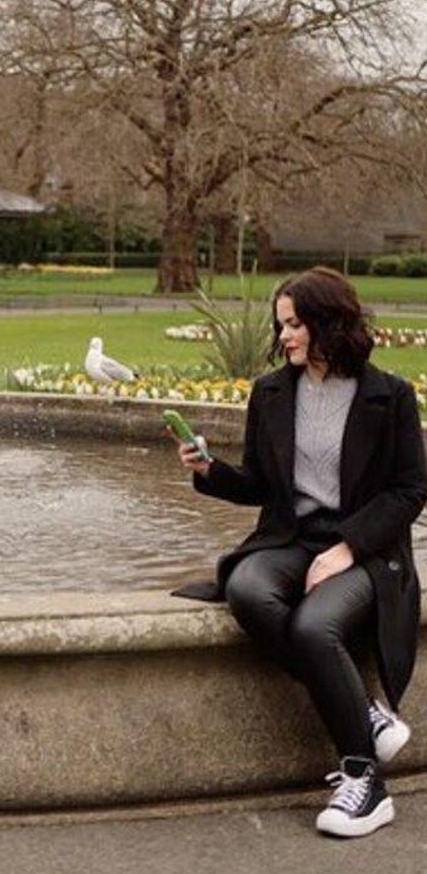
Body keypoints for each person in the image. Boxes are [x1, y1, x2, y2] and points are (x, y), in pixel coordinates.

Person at [171, 266, 427, 838]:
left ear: (326, 322)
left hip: (368, 553)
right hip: (291, 540)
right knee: (247, 588)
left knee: (315, 626)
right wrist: (209, 470)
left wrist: (347, 547)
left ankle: (364, 781)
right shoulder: (272, 393)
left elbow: (411, 490)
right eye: (280, 325)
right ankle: (364, 714)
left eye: (293, 324)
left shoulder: (390, 395)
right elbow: (261, 485)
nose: (283, 336)